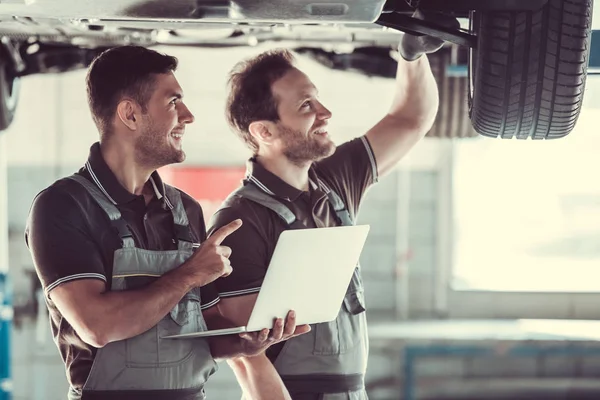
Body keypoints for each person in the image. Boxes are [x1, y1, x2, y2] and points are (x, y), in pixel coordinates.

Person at [25, 45, 309, 400]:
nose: (188, 116)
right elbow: (97, 325)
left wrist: (245, 340)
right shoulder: (63, 205)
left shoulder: (184, 209)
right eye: (173, 102)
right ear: (130, 114)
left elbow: (204, 330)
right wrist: (191, 273)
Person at [207, 12, 454, 400]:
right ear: (264, 131)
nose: (325, 114)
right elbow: (246, 355)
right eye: (307, 106)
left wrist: (411, 56)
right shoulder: (240, 219)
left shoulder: (334, 179)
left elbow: (411, 119)